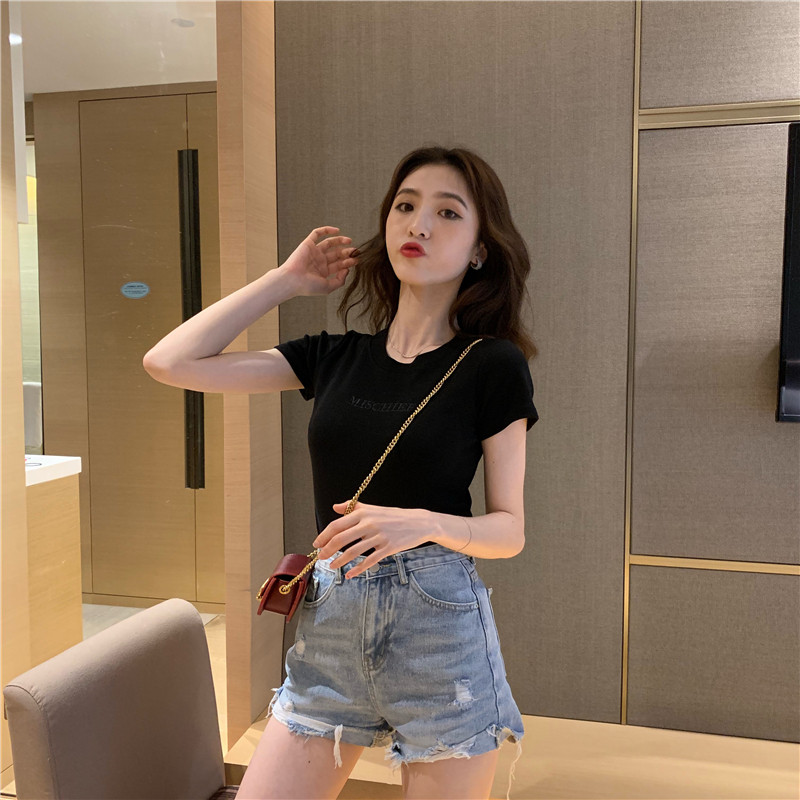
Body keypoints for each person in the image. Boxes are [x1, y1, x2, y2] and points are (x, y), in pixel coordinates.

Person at [143, 145, 539, 800]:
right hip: (331, 625)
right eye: (405, 206)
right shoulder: (333, 358)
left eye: (447, 212)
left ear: (479, 250)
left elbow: (509, 531)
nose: (419, 224)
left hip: (439, 637)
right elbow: (169, 362)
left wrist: (421, 523)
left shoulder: (492, 366)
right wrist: (284, 280)